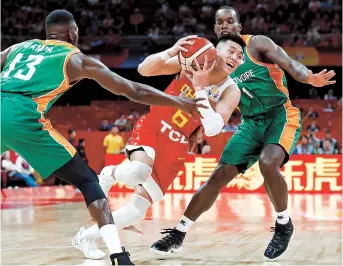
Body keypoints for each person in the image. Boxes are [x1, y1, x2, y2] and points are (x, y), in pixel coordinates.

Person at [0, 9, 205, 266]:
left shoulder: (19, 47)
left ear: (46, 32)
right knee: (88, 181)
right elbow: (132, 89)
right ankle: (118, 255)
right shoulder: (75, 59)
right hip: (21, 115)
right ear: (74, 33)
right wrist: (178, 102)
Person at [150, 6, 336, 261]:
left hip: (280, 115)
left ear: (238, 25)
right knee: (216, 178)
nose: (225, 25)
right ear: (215, 29)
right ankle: (179, 233)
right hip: (249, 124)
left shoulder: (257, 44)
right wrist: (196, 129)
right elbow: (211, 99)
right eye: (220, 22)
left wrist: (309, 77)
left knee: (267, 162)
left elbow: (290, 63)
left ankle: (284, 224)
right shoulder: (213, 62)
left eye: (230, 20)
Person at [72, 34, 245, 259]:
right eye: (231, 51)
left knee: (137, 210)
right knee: (138, 171)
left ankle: (86, 237)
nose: (235, 57)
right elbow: (144, 69)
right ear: (216, 50)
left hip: (177, 146)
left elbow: (213, 129)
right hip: (154, 127)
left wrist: (201, 89)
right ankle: (110, 173)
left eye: (240, 56)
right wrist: (169, 52)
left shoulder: (231, 90)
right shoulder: (191, 61)